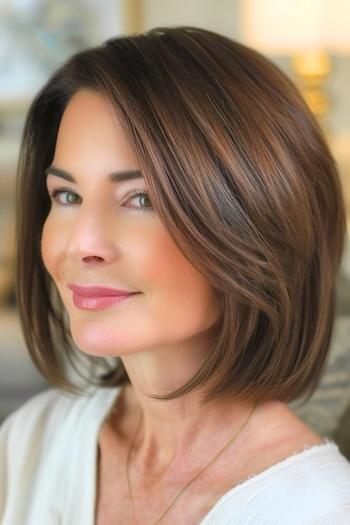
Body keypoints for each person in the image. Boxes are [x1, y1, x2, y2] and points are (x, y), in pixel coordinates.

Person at [1, 26, 350, 525]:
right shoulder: (32, 442)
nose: (81, 242)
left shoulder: (317, 510)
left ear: (256, 223)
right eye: (67, 197)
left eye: (141, 200)